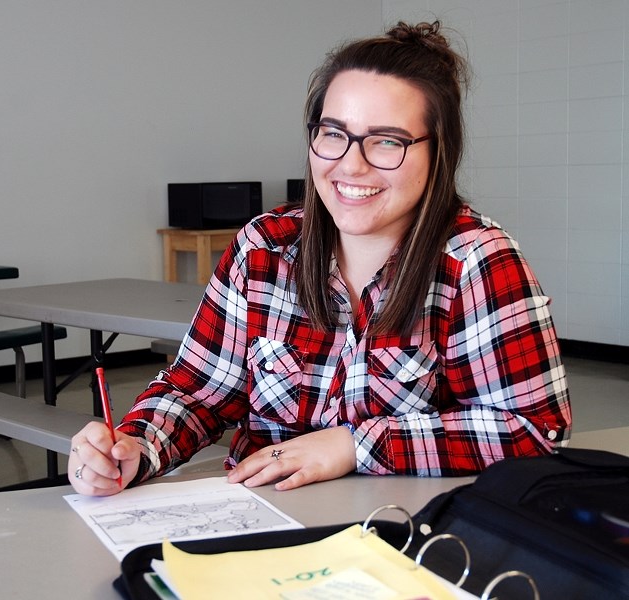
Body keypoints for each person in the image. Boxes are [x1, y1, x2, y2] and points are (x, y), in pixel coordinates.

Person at [68, 20, 571, 497]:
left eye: (387, 141)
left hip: (405, 530)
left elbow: (534, 428)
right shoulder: (264, 248)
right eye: (333, 134)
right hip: (265, 520)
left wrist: (355, 445)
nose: (350, 164)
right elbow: (199, 390)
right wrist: (137, 446)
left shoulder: (476, 260)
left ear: (439, 152)